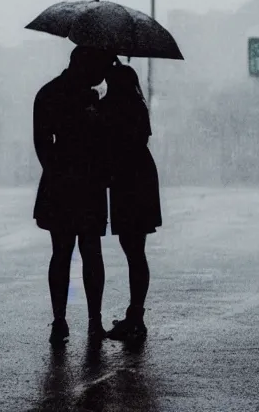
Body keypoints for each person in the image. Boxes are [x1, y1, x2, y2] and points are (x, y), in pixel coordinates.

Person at [33, 45, 115, 344]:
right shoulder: (92, 99)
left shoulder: (47, 93)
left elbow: (41, 143)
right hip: (88, 183)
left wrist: (56, 172)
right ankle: (94, 320)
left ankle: (59, 319)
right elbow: (103, 142)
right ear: (85, 66)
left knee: (61, 253)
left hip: (59, 184)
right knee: (91, 252)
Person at [102, 62, 161, 341]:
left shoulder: (111, 108)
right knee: (137, 250)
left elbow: (110, 143)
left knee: (133, 250)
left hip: (126, 181)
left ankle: (135, 317)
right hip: (141, 178)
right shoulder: (137, 106)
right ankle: (135, 313)